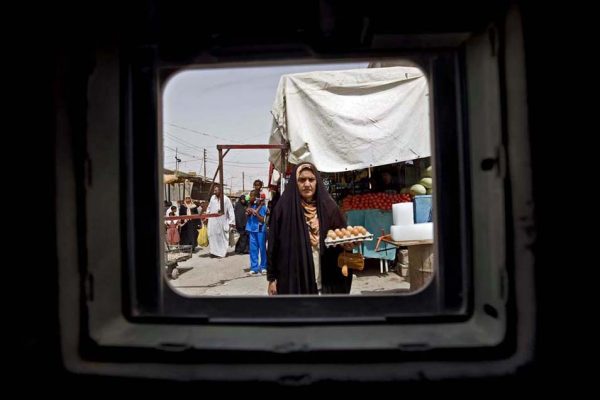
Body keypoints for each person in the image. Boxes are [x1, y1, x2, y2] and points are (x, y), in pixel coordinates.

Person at [266, 163, 355, 295]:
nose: (307, 184)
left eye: (311, 179)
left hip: (327, 276)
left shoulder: (330, 208)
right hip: (294, 279)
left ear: (317, 181)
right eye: (302, 180)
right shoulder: (283, 209)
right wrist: (272, 279)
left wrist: (348, 245)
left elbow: (343, 237)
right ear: (295, 182)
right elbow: (273, 245)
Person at [204, 185, 235, 258]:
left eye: (216, 190)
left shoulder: (226, 199)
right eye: (214, 190)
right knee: (212, 236)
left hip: (222, 221)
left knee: (222, 237)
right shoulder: (212, 198)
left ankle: (222, 253)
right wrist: (206, 217)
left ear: (220, 191)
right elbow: (209, 208)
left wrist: (232, 222)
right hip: (213, 221)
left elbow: (230, 210)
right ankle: (213, 252)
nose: (214, 192)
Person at [245, 190, 268, 275]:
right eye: (250, 196)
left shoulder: (262, 207)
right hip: (252, 230)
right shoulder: (251, 205)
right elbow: (246, 215)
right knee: (253, 249)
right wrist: (249, 212)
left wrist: (256, 213)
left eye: (251, 196)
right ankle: (254, 267)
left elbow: (262, 220)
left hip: (260, 230)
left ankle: (263, 267)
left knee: (262, 249)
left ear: (256, 197)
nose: (250, 197)